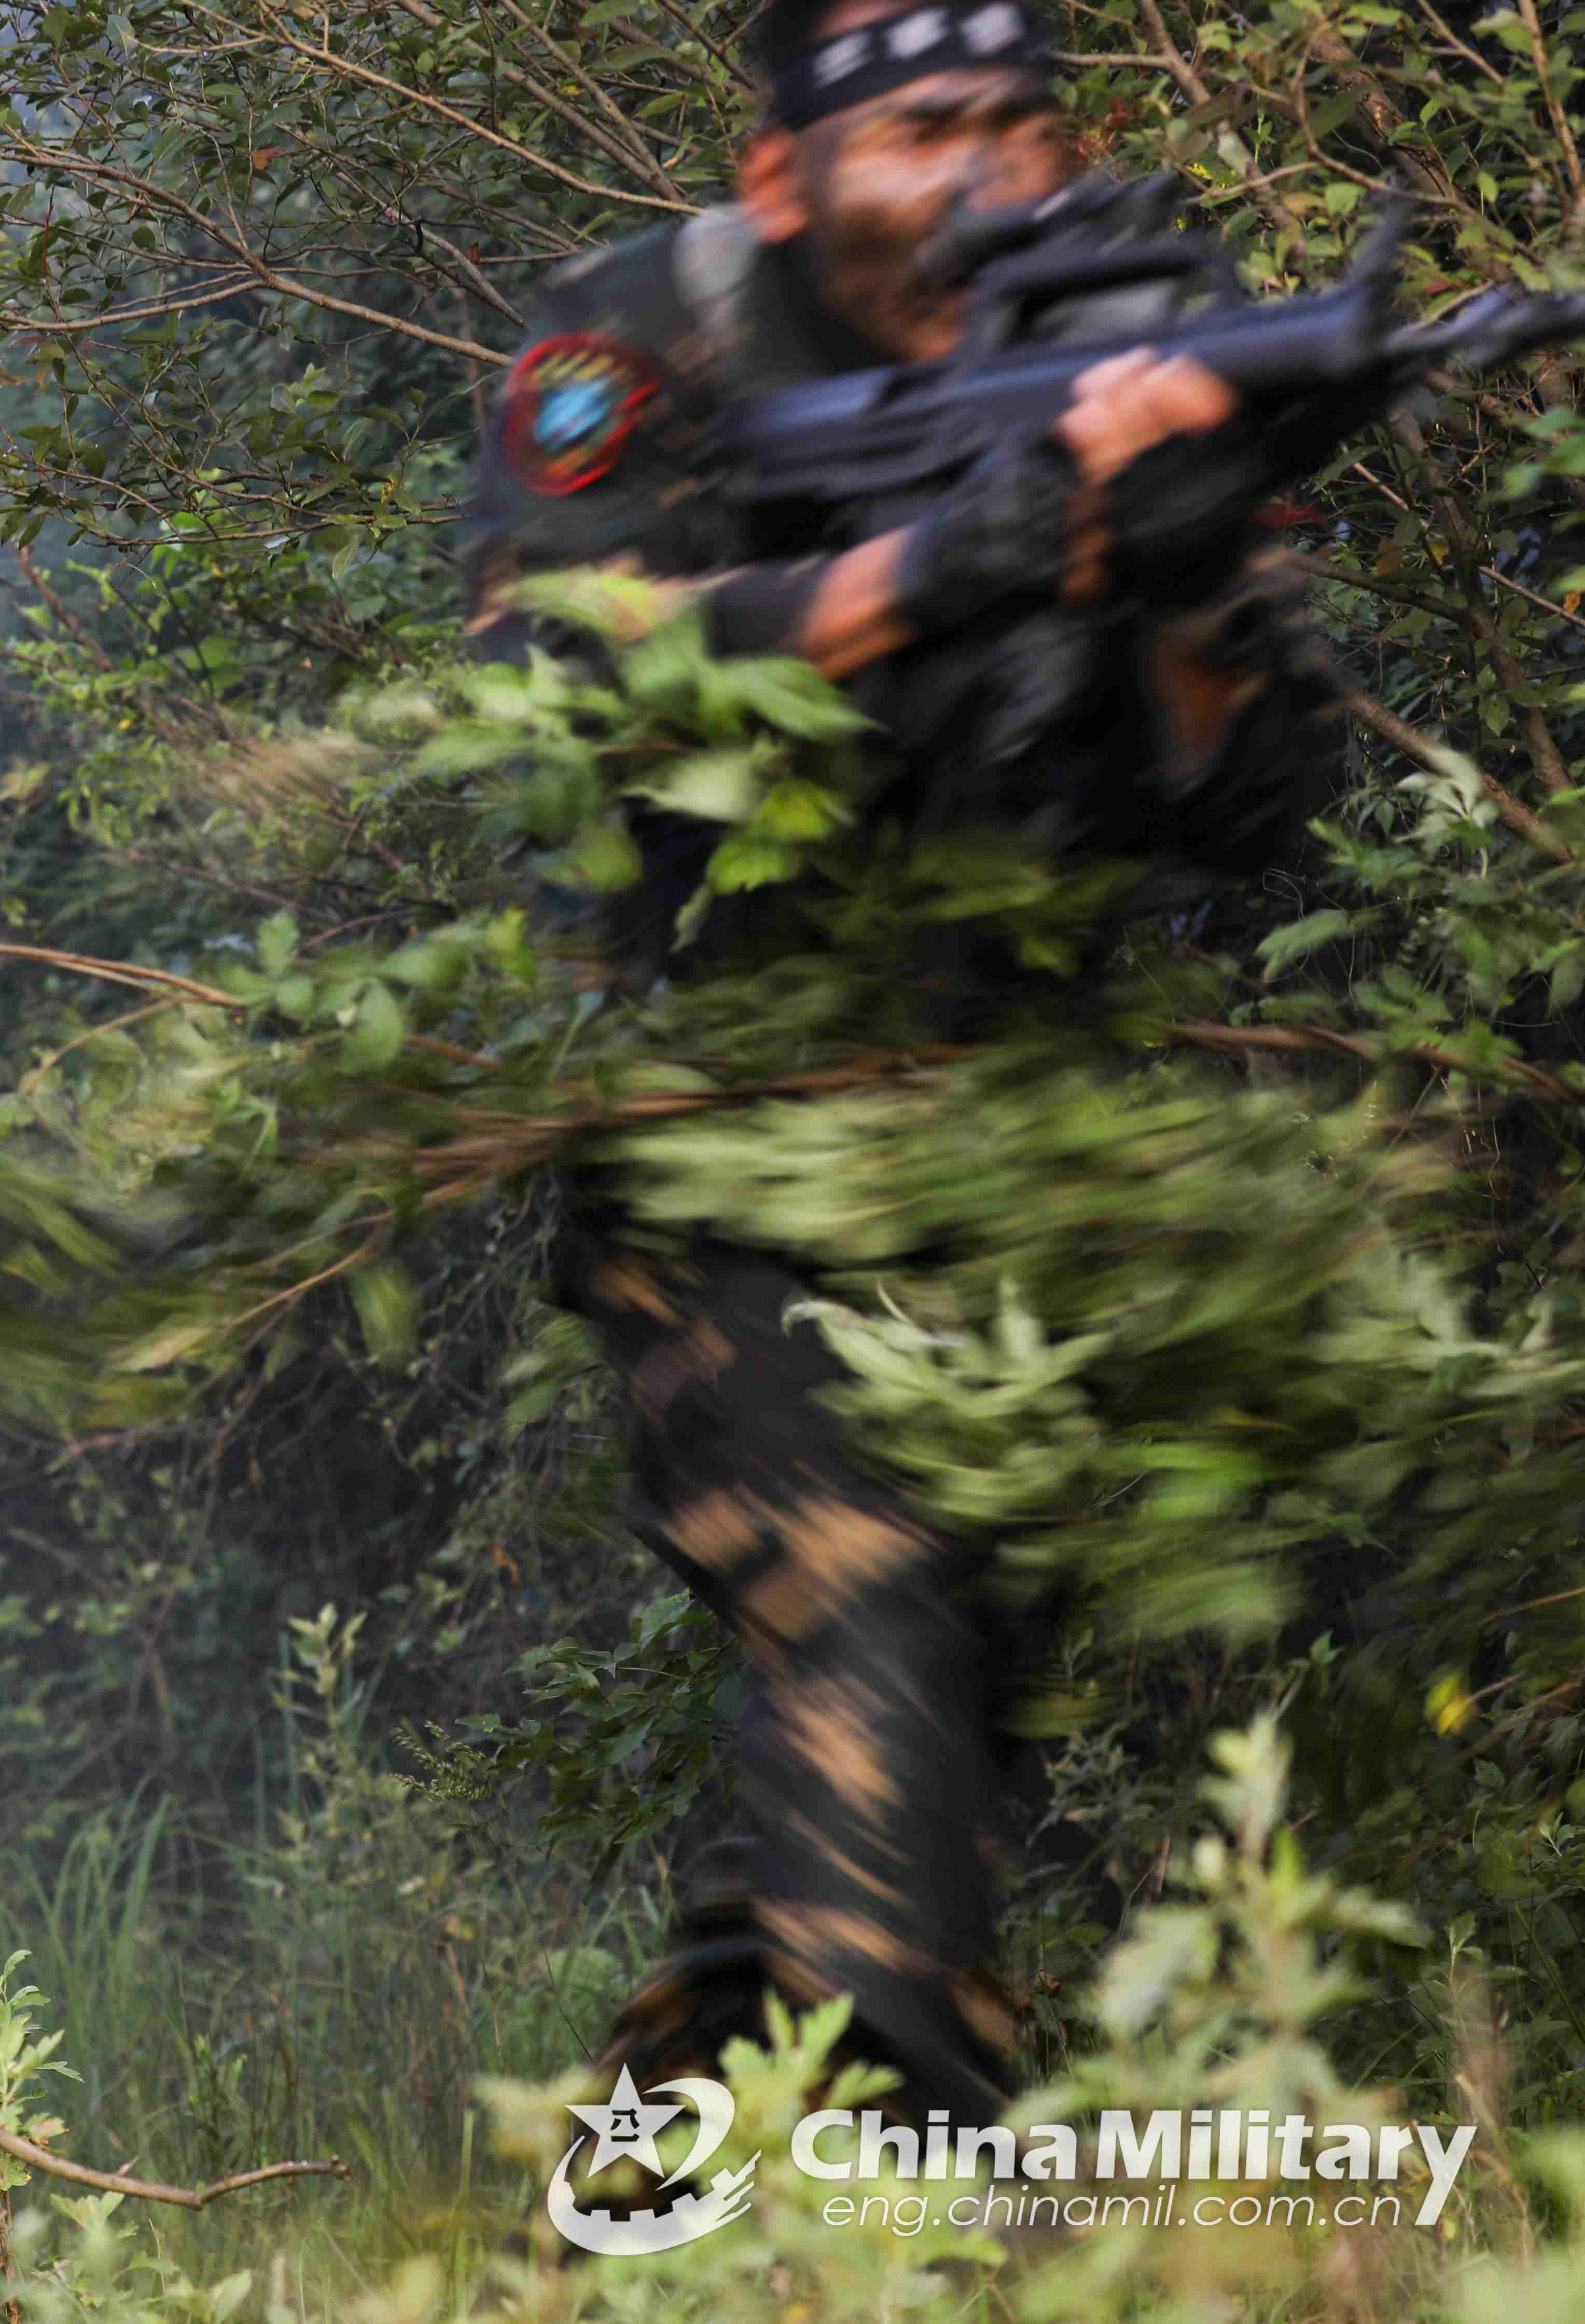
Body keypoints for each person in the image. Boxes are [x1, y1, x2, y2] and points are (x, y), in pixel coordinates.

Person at [457, 0, 1340, 2124]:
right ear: (783, 176)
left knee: (912, 1742)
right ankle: (896, 2210)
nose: (988, 169)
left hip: (1023, 1147)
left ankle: (674, 2206)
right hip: (726, 1138)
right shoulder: (644, 337)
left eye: (1025, 118)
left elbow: (1254, 811)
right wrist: (922, 573)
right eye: (926, 124)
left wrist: (1193, 590)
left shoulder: (1132, 329)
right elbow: (558, 690)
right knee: (877, 1633)